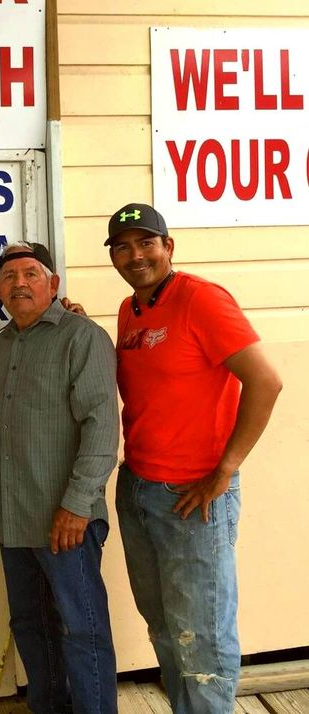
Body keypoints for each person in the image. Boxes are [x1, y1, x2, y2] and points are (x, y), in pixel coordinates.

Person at [106, 203, 282, 713]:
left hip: (192, 497)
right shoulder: (129, 310)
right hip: (138, 488)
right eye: (123, 247)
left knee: (201, 637)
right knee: (164, 626)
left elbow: (266, 382)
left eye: (146, 243)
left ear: (168, 247)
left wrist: (225, 470)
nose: (136, 255)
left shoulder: (201, 299)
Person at [0, 242, 120, 714]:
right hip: (13, 515)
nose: (19, 283)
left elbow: (102, 427)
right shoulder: (3, 343)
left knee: (82, 629)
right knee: (30, 625)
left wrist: (78, 505)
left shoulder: (83, 338)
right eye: (9, 277)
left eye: (30, 274)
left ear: (53, 284)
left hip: (66, 519)